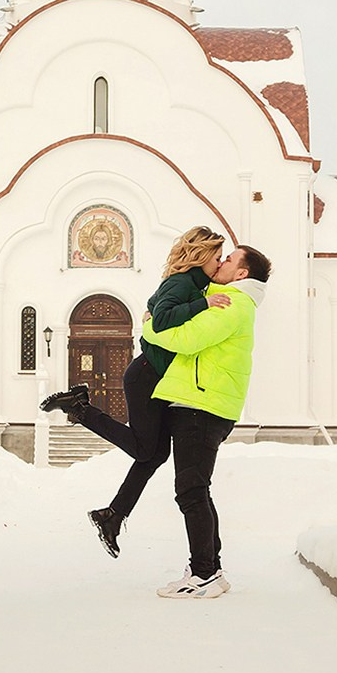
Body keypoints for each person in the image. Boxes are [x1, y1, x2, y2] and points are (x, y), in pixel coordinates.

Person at [39, 226, 230, 556]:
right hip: (145, 376)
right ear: (201, 257)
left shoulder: (193, 284)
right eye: (217, 257)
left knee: (154, 454)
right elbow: (161, 317)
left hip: (158, 379)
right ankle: (81, 408)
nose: (220, 262)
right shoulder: (183, 283)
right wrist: (205, 305)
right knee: (146, 451)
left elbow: (152, 307)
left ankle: (112, 516)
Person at [139, 244, 270, 599]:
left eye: (229, 259)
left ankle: (205, 574)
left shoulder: (234, 304)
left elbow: (189, 339)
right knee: (197, 489)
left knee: (191, 491)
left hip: (203, 404)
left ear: (242, 273)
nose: (222, 261)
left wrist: (150, 327)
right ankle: (209, 568)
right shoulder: (226, 298)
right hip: (201, 401)